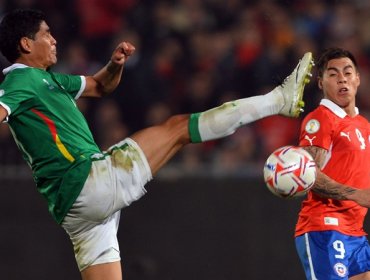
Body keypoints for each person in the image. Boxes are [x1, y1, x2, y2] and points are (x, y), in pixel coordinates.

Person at [0, 9, 314, 280]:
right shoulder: (18, 82)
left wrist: (115, 65)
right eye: (46, 34)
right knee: (178, 128)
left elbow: (99, 86)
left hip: (74, 209)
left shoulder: (48, 81)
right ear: (26, 44)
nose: (54, 40)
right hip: (87, 180)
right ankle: (277, 100)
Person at [295, 47, 370, 280]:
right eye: (333, 74)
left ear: (357, 79)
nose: (342, 79)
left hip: (355, 231)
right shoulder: (320, 120)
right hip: (325, 227)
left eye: (347, 73)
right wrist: (354, 194)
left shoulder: (363, 125)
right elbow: (307, 174)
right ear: (320, 83)